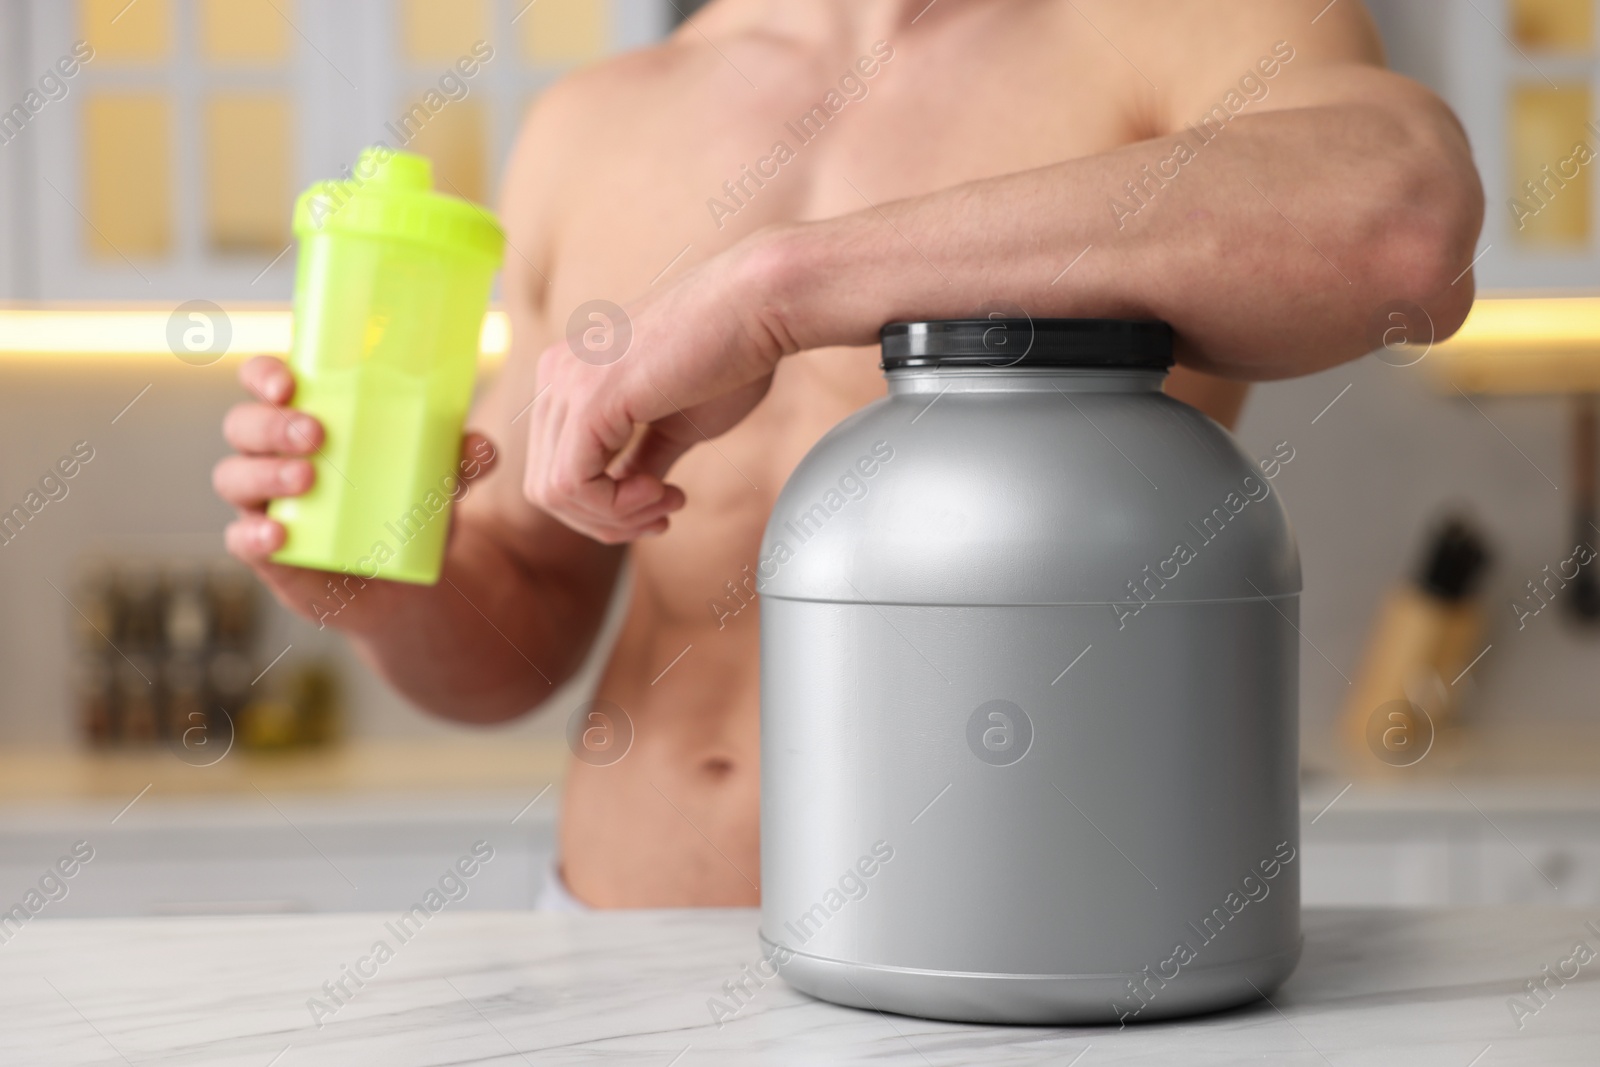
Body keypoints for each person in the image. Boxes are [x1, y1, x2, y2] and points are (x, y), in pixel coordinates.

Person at [214, 0, 1483, 907]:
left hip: (1014, 973)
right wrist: (392, 590)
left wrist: (777, 288)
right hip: (620, 939)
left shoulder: (1174, 29)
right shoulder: (591, 122)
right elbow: (524, 615)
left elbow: (1402, 230)